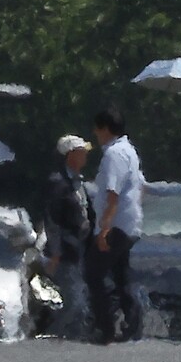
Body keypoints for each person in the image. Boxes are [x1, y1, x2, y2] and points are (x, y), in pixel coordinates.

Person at [87, 108, 145, 344]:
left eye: (97, 129)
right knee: (121, 276)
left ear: (106, 129)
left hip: (117, 225)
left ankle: (106, 326)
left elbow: (113, 194)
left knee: (93, 273)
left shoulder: (114, 154)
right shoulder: (128, 151)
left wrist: (104, 229)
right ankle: (131, 324)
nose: (95, 134)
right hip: (127, 223)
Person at [43, 134, 96, 341]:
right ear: (70, 155)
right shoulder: (57, 184)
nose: (85, 156)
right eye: (81, 152)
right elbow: (52, 221)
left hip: (82, 249)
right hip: (66, 251)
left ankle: (73, 343)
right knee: (75, 303)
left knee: (83, 301)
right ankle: (51, 337)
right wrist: (55, 253)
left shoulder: (78, 183)